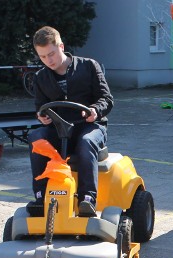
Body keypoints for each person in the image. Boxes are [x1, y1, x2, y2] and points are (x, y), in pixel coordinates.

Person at [26, 26, 113, 217]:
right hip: (59, 129)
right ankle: (41, 197)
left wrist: (95, 110)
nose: (48, 60)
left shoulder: (89, 66)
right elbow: (40, 105)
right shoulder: (41, 77)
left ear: (61, 46)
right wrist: (41, 116)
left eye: (51, 54)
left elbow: (107, 100)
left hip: (90, 126)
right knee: (36, 137)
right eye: (42, 57)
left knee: (86, 142)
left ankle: (87, 199)